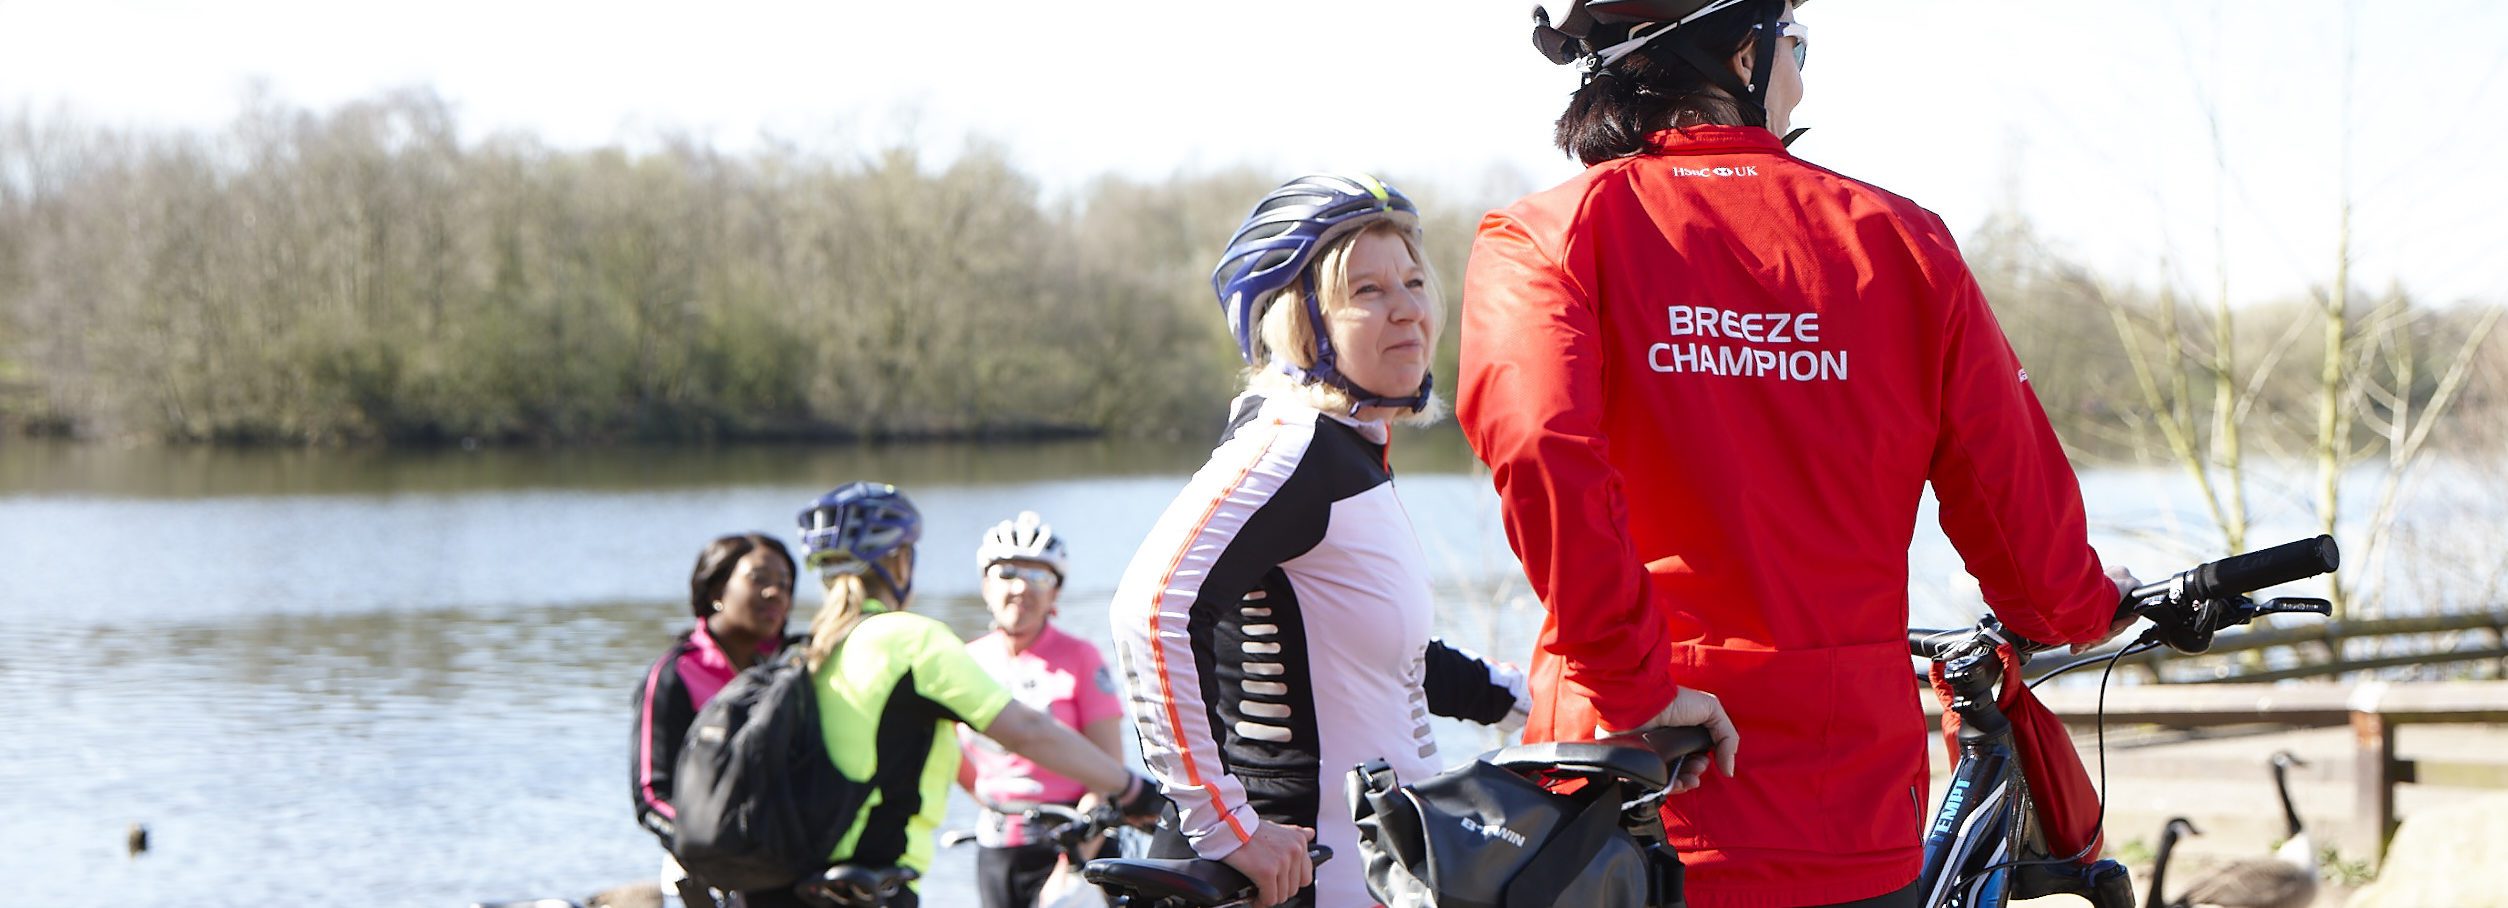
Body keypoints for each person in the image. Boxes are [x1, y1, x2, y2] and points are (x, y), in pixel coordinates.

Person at [1458, 3, 2136, 906]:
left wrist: (1633, 685)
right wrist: (2091, 602)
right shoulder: (1902, 241)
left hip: (1625, 794)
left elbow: (1544, 450)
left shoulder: (1543, 236)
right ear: (1743, 54)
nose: (1803, 80)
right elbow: (2032, 556)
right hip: (1843, 808)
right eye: (1797, 50)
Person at [1109, 173, 1532, 908]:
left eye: (1413, 281)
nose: (1409, 310)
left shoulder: (1349, 450)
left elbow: (1376, 662)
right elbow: (1151, 611)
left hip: (1371, 869)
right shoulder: (1289, 443)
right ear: (1299, 322)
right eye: (1367, 292)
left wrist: (1526, 700)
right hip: (1298, 876)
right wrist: (1225, 825)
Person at [755, 481, 1166, 908]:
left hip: (801, 872)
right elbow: (1024, 730)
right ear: (899, 563)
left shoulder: (812, 648)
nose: (1020, 587)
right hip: (872, 877)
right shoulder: (912, 639)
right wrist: (1132, 789)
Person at [955, 511, 1127, 908]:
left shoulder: (1082, 658)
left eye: (1039, 577)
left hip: (1075, 838)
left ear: (1056, 594)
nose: (1021, 588)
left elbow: (1110, 774)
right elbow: (952, 757)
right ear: (985, 585)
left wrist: (1074, 862)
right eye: (1007, 573)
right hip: (996, 846)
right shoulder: (964, 661)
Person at [632, 532, 799, 906]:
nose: (775, 593)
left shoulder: (792, 672)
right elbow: (650, 795)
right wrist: (710, 843)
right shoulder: (676, 674)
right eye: (759, 579)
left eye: (785, 584)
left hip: (784, 870)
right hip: (702, 875)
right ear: (716, 592)